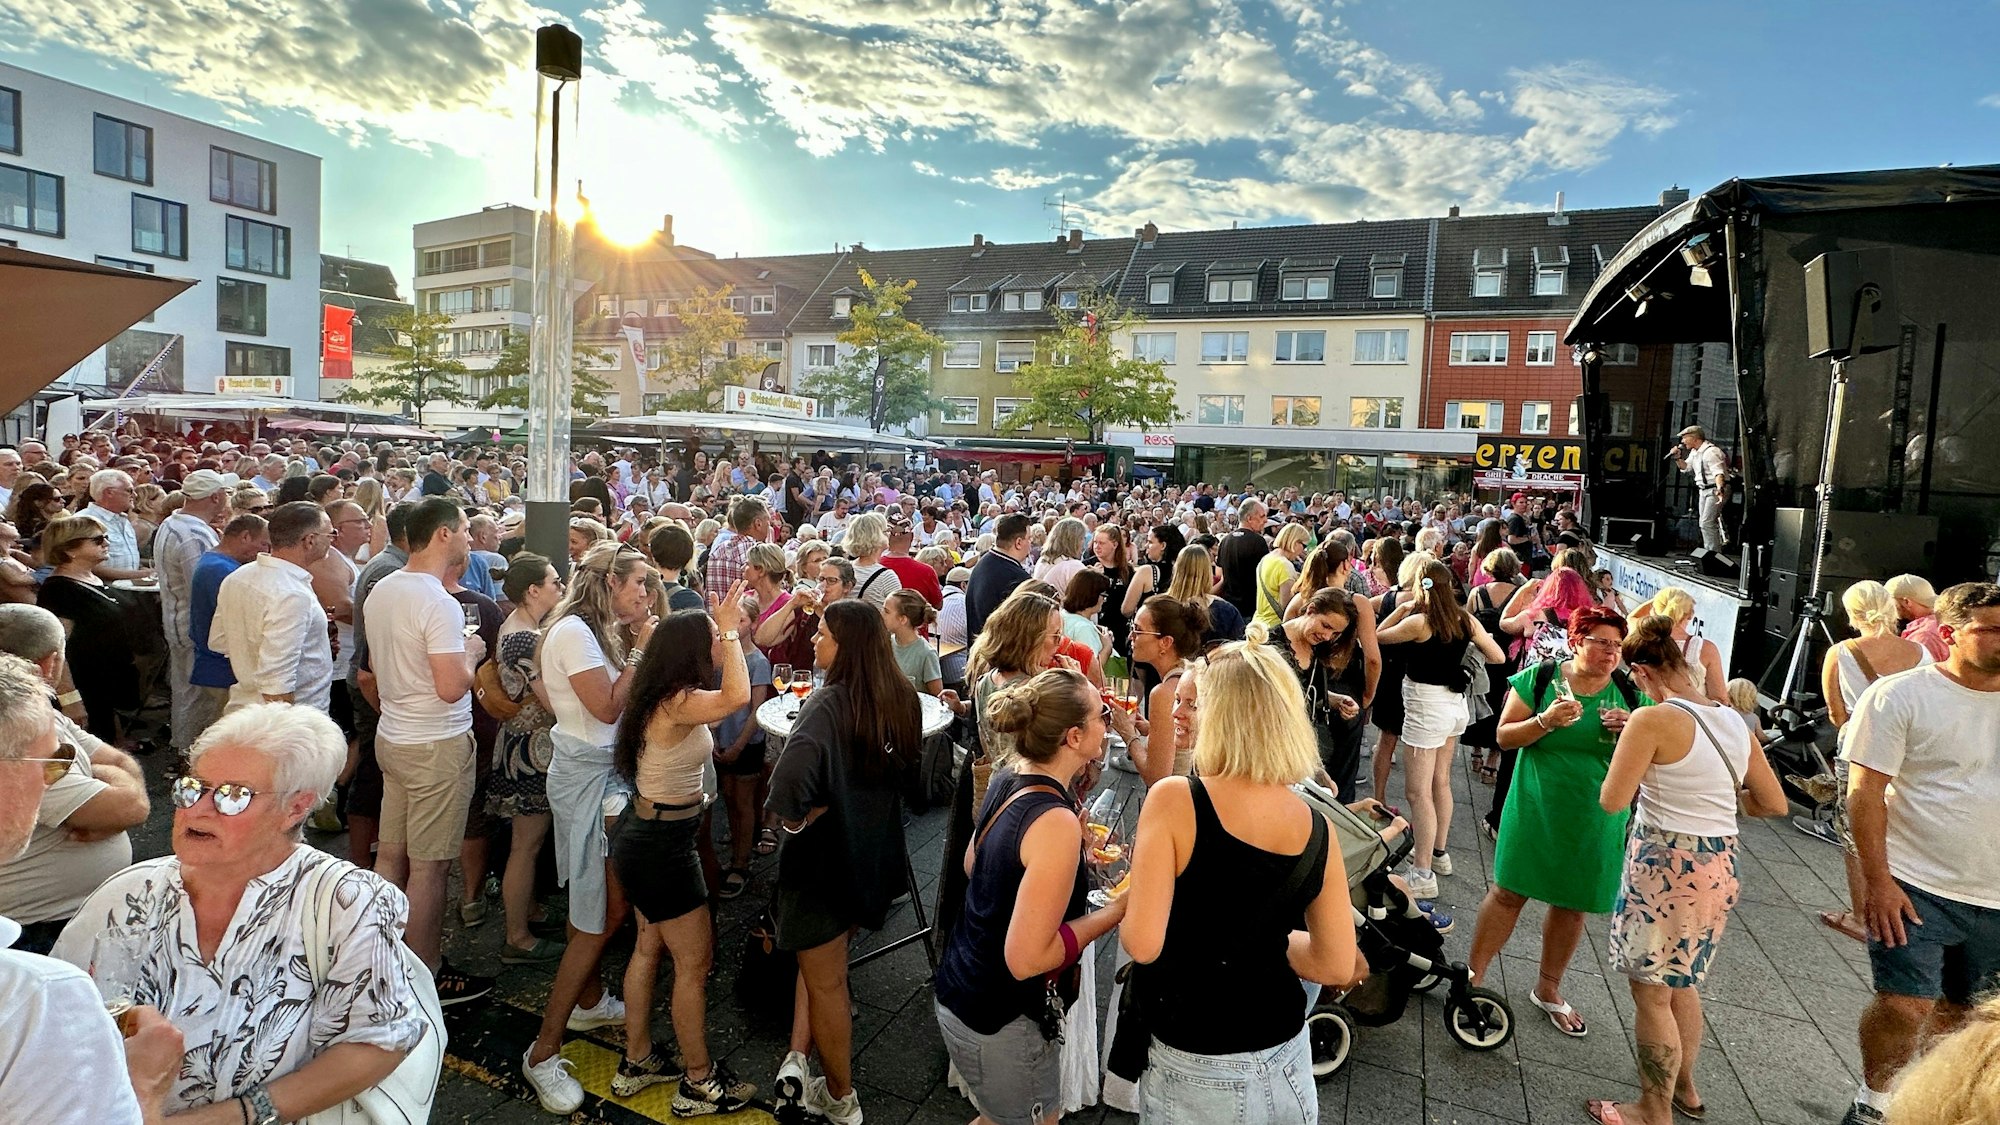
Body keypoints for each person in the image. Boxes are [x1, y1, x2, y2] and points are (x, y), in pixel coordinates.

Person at [55, 703, 431, 1121]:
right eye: (192, 787)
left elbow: (378, 1041)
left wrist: (240, 1115)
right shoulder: (128, 893)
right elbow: (55, 1022)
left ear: (295, 808)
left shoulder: (347, 901)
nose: (197, 809)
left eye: (233, 796)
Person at [1119, 636, 1366, 1123]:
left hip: (1194, 1056)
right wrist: (1261, 941)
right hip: (1284, 1054)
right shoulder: (1316, 825)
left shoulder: (1174, 799)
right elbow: (1338, 964)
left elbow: (1142, 943)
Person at [1587, 615, 1787, 1125]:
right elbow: (1773, 803)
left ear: (1641, 672)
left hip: (1664, 862)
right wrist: (1714, 799)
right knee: (1681, 981)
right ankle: (1685, 1090)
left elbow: (1613, 800)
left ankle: (1652, 1109)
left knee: (1650, 990)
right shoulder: (1730, 720)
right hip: (1719, 860)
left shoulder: (1650, 720)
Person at [1837, 582, 2000, 1125]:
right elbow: (1864, 793)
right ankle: (1876, 1100)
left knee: (1961, 1017)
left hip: (1995, 896)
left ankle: (1924, 1107)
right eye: (1992, 629)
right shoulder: (1900, 696)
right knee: (1904, 1006)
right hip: (1916, 884)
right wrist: (1877, 882)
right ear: (1949, 633)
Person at [935, 668, 1128, 1125]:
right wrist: (1120, 909)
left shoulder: (1010, 774)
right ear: (1075, 737)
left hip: (962, 991)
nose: (1109, 720)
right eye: (1102, 714)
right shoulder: (1054, 820)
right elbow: (1026, 959)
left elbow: (974, 862)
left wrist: (1063, 861)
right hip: (1003, 1019)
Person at [0, 654, 186, 1122]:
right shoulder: (36, 998)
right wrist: (141, 1087)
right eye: (52, 764)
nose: (52, 782)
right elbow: (126, 804)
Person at [768, 600, 921, 1125]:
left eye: (823, 634)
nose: (814, 641)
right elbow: (912, 776)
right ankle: (805, 1061)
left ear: (847, 645)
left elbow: (786, 789)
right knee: (829, 972)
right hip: (872, 857)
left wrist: (795, 824)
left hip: (821, 867)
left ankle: (840, 1096)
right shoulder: (901, 696)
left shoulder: (827, 705)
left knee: (827, 983)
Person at [606, 596, 760, 1113]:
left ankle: (636, 1060)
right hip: (662, 848)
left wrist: (725, 629)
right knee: (695, 963)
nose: (721, 643)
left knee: (649, 949)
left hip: (649, 836)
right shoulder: (676, 701)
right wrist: (733, 632)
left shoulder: (666, 694)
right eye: (713, 639)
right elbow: (738, 696)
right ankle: (698, 1082)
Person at [520, 541, 658, 1113]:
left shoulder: (589, 630)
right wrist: (639, 653)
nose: (647, 595)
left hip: (598, 774)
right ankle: (541, 1053)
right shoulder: (576, 632)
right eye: (639, 585)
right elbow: (605, 709)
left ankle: (593, 998)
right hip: (588, 782)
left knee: (607, 905)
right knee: (596, 916)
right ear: (608, 584)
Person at [1466, 606, 1642, 1038]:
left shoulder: (1630, 692)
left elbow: (1652, 755)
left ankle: (1548, 988)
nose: (1611, 653)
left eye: (1617, 645)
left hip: (1597, 813)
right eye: (1601, 641)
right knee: (1508, 892)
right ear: (1576, 640)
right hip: (1536, 803)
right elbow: (1504, 735)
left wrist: (1634, 728)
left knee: (1572, 904)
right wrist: (1544, 721)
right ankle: (1472, 978)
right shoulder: (1542, 678)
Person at [361, 496, 492, 1005]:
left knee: (391, 854)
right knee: (432, 865)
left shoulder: (382, 588)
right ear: (442, 535)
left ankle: (381, 956)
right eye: (463, 528)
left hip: (393, 735)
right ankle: (427, 972)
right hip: (435, 741)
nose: (469, 536)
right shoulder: (437, 600)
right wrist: (474, 656)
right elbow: (450, 686)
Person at [0, 605, 149, 954]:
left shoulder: (42, 716)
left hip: (61, 918)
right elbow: (131, 807)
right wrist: (105, 789)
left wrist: (99, 784)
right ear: (51, 664)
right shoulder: (19, 732)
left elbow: (115, 759)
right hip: (35, 932)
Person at [1800, 581, 1931, 941]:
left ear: (1853, 612)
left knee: (1856, 831)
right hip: (1906, 751)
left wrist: (1856, 727)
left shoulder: (1841, 652)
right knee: (1901, 827)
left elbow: (1835, 711)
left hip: (1859, 749)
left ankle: (1860, 917)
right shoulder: (1920, 653)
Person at [1375, 559, 1507, 900]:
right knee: (1442, 782)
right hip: (1454, 708)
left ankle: (1422, 872)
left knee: (1417, 793)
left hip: (1425, 709)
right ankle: (1439, 853)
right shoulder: (1465, 619)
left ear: (1421, 586)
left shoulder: (1419, 622)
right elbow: (1497, 657)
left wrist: (1402, 609)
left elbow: (1377, 637)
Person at [487, 553, 567, 966]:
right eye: (555, 581)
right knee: (526, 844)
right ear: (533, 590)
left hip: (524, 744)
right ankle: (517, 936)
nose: (561, 587)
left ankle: (531, 912)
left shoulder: (520, 626)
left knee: (529, 843)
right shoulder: (525, 636)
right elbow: (549, 700)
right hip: (529, 750)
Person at [209, 501, 334, 714]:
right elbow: (277, 684)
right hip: (290, 721)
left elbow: (220, 641)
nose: (332, 541)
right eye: (330, 535)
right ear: (310, 541)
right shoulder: (291, 594)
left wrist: (311, 647)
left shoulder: (238, 577)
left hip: (246, 708)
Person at [36, 514, 142, 744]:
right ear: (70, 549)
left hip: (108, 681)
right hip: (87, 685)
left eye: (106, 537)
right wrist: (70, 698)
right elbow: (55, 648)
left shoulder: (90, 577)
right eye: (97, 540)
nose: (106, 543)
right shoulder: (58, 590)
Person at [1271, 587, 1375, 802]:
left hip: (1302, 751)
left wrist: (1337, 701)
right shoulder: (1271, 645)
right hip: (1274, 752)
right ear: (1310, 610)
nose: (1327, 636)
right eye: (1325, 625)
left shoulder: (1317, 647)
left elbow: (1306, 691)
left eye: (1335, 633)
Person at [155, 469, 230, 752]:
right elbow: (203, 589)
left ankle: (186, 750)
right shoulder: (193, 533)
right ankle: (189, 754)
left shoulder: (176, 523)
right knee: (196, 697)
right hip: (193, 626)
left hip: (180, 621)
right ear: (215, 497)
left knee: (187, 691)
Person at [1116, 595, 1207, 788]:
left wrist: (1127, 733)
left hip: (1173, 801)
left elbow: (1157, 778)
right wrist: (1152, 729)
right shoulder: (1188, 675)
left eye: (1138, 630)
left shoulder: (1165, 692)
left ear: (1165, 642)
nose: (1131, 636)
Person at [1642, 586, 1728, 704]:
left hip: (1648, 717)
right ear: (1690, 615)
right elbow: (1720, 699)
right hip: (1692, 719)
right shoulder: (1706, 649)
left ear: (1655, 612)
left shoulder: (1641, 643)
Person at [968, 513, 1033, 638]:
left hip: (978, 651)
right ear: (1018, 542)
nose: (1031, 543)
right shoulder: (1017, 578)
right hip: (1001, 654)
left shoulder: (984, 561)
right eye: (1029, 538)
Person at [1165, 543, 1244, 646]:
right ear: (1207, 572)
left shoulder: (1160, 607)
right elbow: (1240, 650)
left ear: (1177, 569)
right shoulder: (1226, 611)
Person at [1671, 424, 1732, 554]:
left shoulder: (1711, 452)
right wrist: (1677, 457)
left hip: (1714, 488)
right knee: (1703, 524)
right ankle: (1710, 552)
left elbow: (1718, 473)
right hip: (1704, 490)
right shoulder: (1695, 452)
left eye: (1685, 438)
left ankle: (1714, 555)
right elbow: (1686, 468)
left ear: (1695, 438)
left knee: (1707, 523)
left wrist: (1720, 489)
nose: (1682, 441)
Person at [1118, 523, 1186, 625]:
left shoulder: (1147, 571)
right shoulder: (1184, 570)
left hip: (1149, 630)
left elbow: (1126, 610)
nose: (1146, 546)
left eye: (1150, 542)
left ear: (1163, 545)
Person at [1214, 498, 1270, 621]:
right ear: (1249, 518)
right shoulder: (1258, 542)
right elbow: (1266, 576)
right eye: (1262, 516)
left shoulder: (1225, 540)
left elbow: (1219, 574)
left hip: (1228, 608)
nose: (1265, 520)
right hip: (1251, 609)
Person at [884, 587, 945, 695]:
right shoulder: (886, 644)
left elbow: (938, 696)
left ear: (902, 619)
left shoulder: (926, 653)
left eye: (886, 611)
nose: (881, 614)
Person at [1253, 522, 1310, 629]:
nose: (1304, 550)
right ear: (1295, 542)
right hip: (1274, 626)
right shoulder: (1285, 566)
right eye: (1304, 545)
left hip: (1258, 623)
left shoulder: (1266, 559)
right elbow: (1288, 608)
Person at [843, 511, 905, 609]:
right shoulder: (886, 577)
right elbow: (898, 613)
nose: (889, 534)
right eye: (886, 531)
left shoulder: (844, 569)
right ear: (878, 536)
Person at [1885, 573, 1948, 661]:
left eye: (1891, 601)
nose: (1889, 606)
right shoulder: (1947, 620)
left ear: (1907, 602)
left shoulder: (1922, 637)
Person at [1031, 516, 1089, 595]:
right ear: (1073, 540)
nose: (1084, 543)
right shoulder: (1072, 566)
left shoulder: (1044, 559)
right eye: (1082, 538)